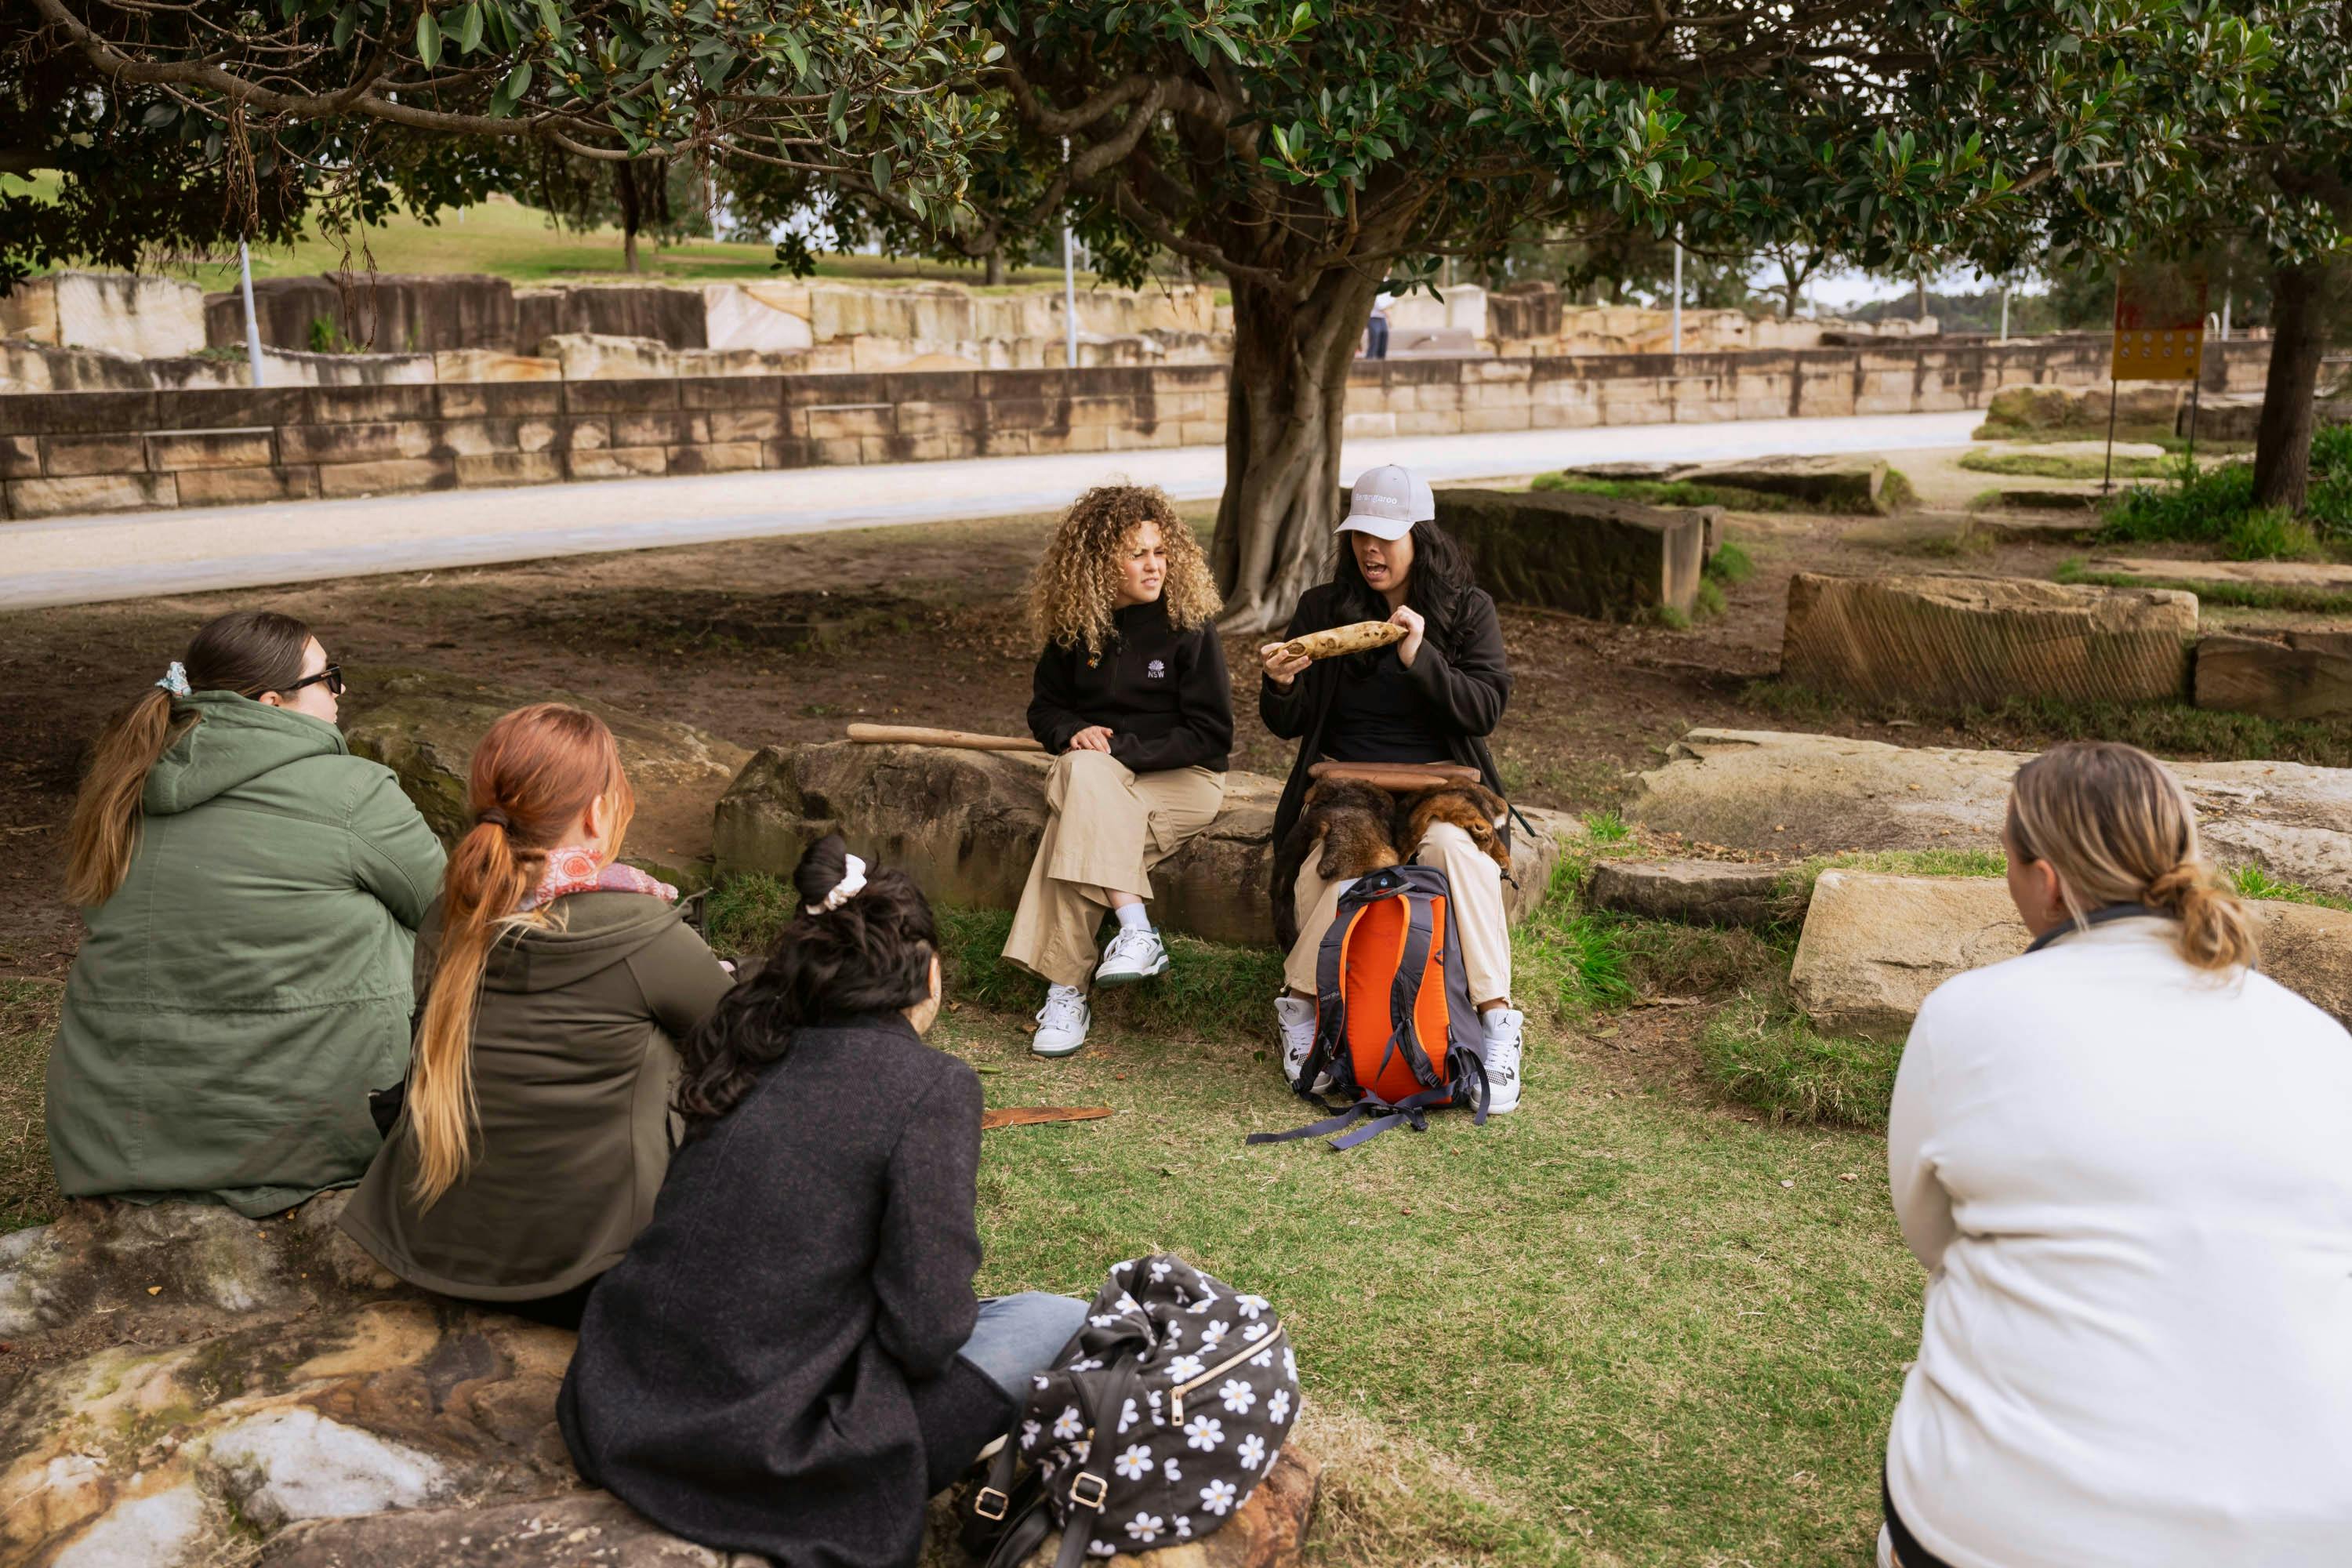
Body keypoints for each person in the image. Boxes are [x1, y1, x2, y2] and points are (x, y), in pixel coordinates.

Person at [1880, 741, 2352, 1568]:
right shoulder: (2321, 1041)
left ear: (2045, 877)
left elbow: (1933, 1236)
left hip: (2007, 1531)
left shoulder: (1967, 1013)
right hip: (2316, 1529)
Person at [559, 835, 1088, 1568]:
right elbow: (926, 1332)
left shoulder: (747, 1044)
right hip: (778, 1453)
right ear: (926, 971)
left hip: (622, 1406)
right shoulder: (931, 1086)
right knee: (1060, 1317)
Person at [339, 704, 733, 1330]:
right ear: (597, 812)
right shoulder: (641, 932)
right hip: (589, 1269)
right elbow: (745, 1038)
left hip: (432, 1248)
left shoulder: (449, 915)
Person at [48, 611, 445, 1218]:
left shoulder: (121, 786)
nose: (341, 691)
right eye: (328, 677)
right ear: (271, 703)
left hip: (118, 1142)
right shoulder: (352, 793)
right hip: (318, 1138)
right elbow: (453, 913)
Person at [1258, 464, 1524, 1110]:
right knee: (1349, 860)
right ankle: (1298, 1010)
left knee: (1457, 852)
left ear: (1419, 537)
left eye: (1384, 536)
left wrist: (1420, 657)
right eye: (1358, 536)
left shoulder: (1466, 609)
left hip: (1441, 780)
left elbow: (1484, 708)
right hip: (1349, 781)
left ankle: (1498, 1022)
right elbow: (1287, 725)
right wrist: (1283, 681)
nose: (1369, 550)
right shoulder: (1325, 608)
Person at [1004, 484, 1233, 1058]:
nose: (1153, 565)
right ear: (1099, 562)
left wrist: (1119, 751)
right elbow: (1046, 708)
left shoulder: (1189, 625)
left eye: (1160, 551)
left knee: (1075, 813)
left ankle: (1064, 989)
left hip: (1183, 780)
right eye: (1136, 554)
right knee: (1082, 775)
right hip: (1097, 776)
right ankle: (1134, 931)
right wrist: (1069, 734)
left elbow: (1212, 735)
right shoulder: (1077, 627)